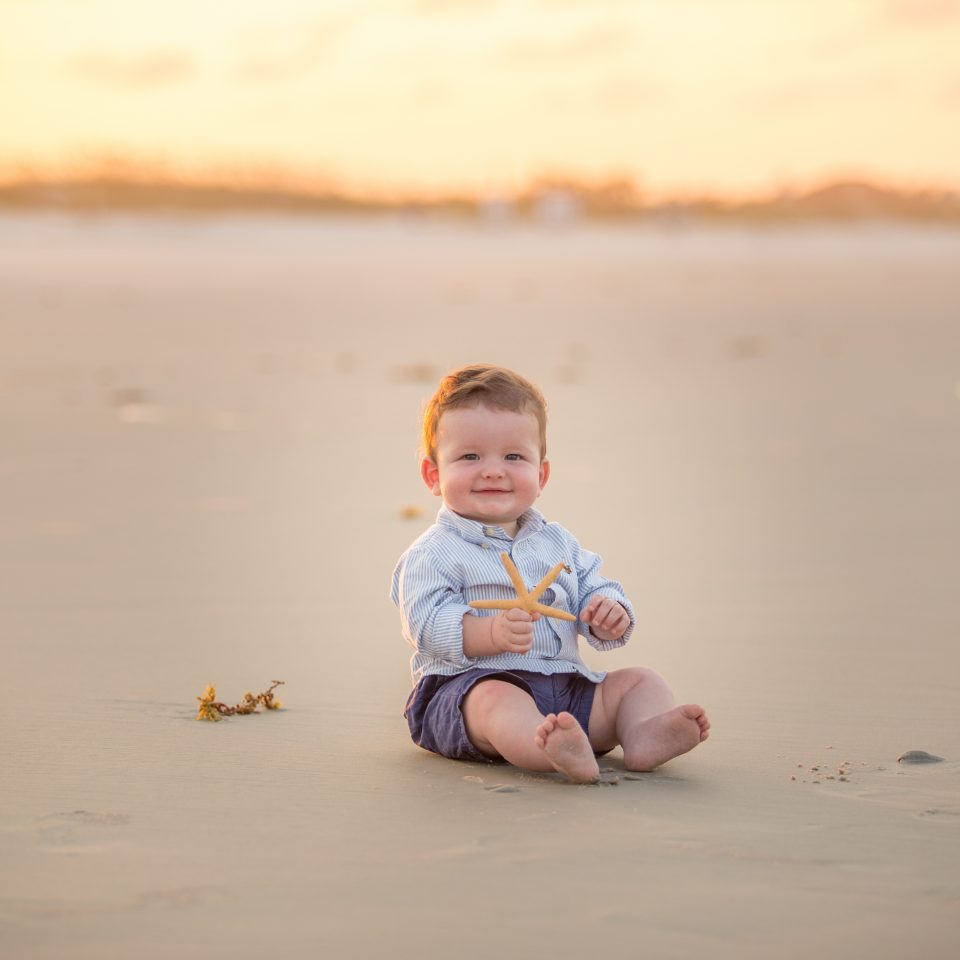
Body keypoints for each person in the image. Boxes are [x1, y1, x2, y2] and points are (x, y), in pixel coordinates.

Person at [391, 364, 709, 783]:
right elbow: (425, 624)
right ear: (434, 475)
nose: (492, 470)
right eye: (470, 456)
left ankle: (642, 735)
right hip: (467, 688)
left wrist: (608, 612)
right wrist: (489, 635)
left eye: (513, 457)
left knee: (641, 682)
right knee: (495, 700)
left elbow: (594, 584)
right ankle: (549, 750)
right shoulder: (432, 553)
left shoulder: (558, 544)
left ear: (541, 475)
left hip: (566, 688)